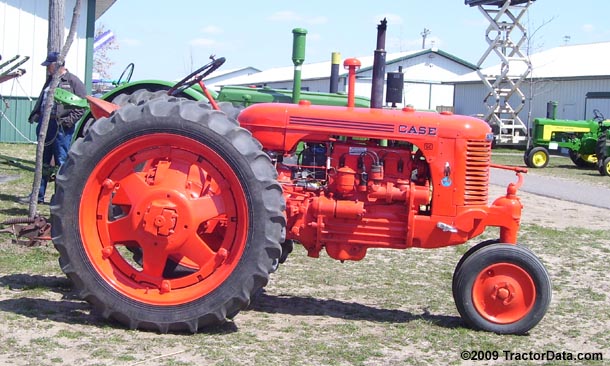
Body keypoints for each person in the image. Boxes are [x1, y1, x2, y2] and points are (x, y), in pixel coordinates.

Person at [24, 51, 86, 204]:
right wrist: (36, 113)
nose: (47, 69)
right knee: (42, 160)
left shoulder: (73, 81)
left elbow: (82, 106)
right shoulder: (50, 80)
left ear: (56, 65)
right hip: (46, 124)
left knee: (61, 161)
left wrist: (67, 122)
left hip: (61, 128)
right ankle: (37, 196)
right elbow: (43, 100)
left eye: (49, 65)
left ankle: (60, 198)